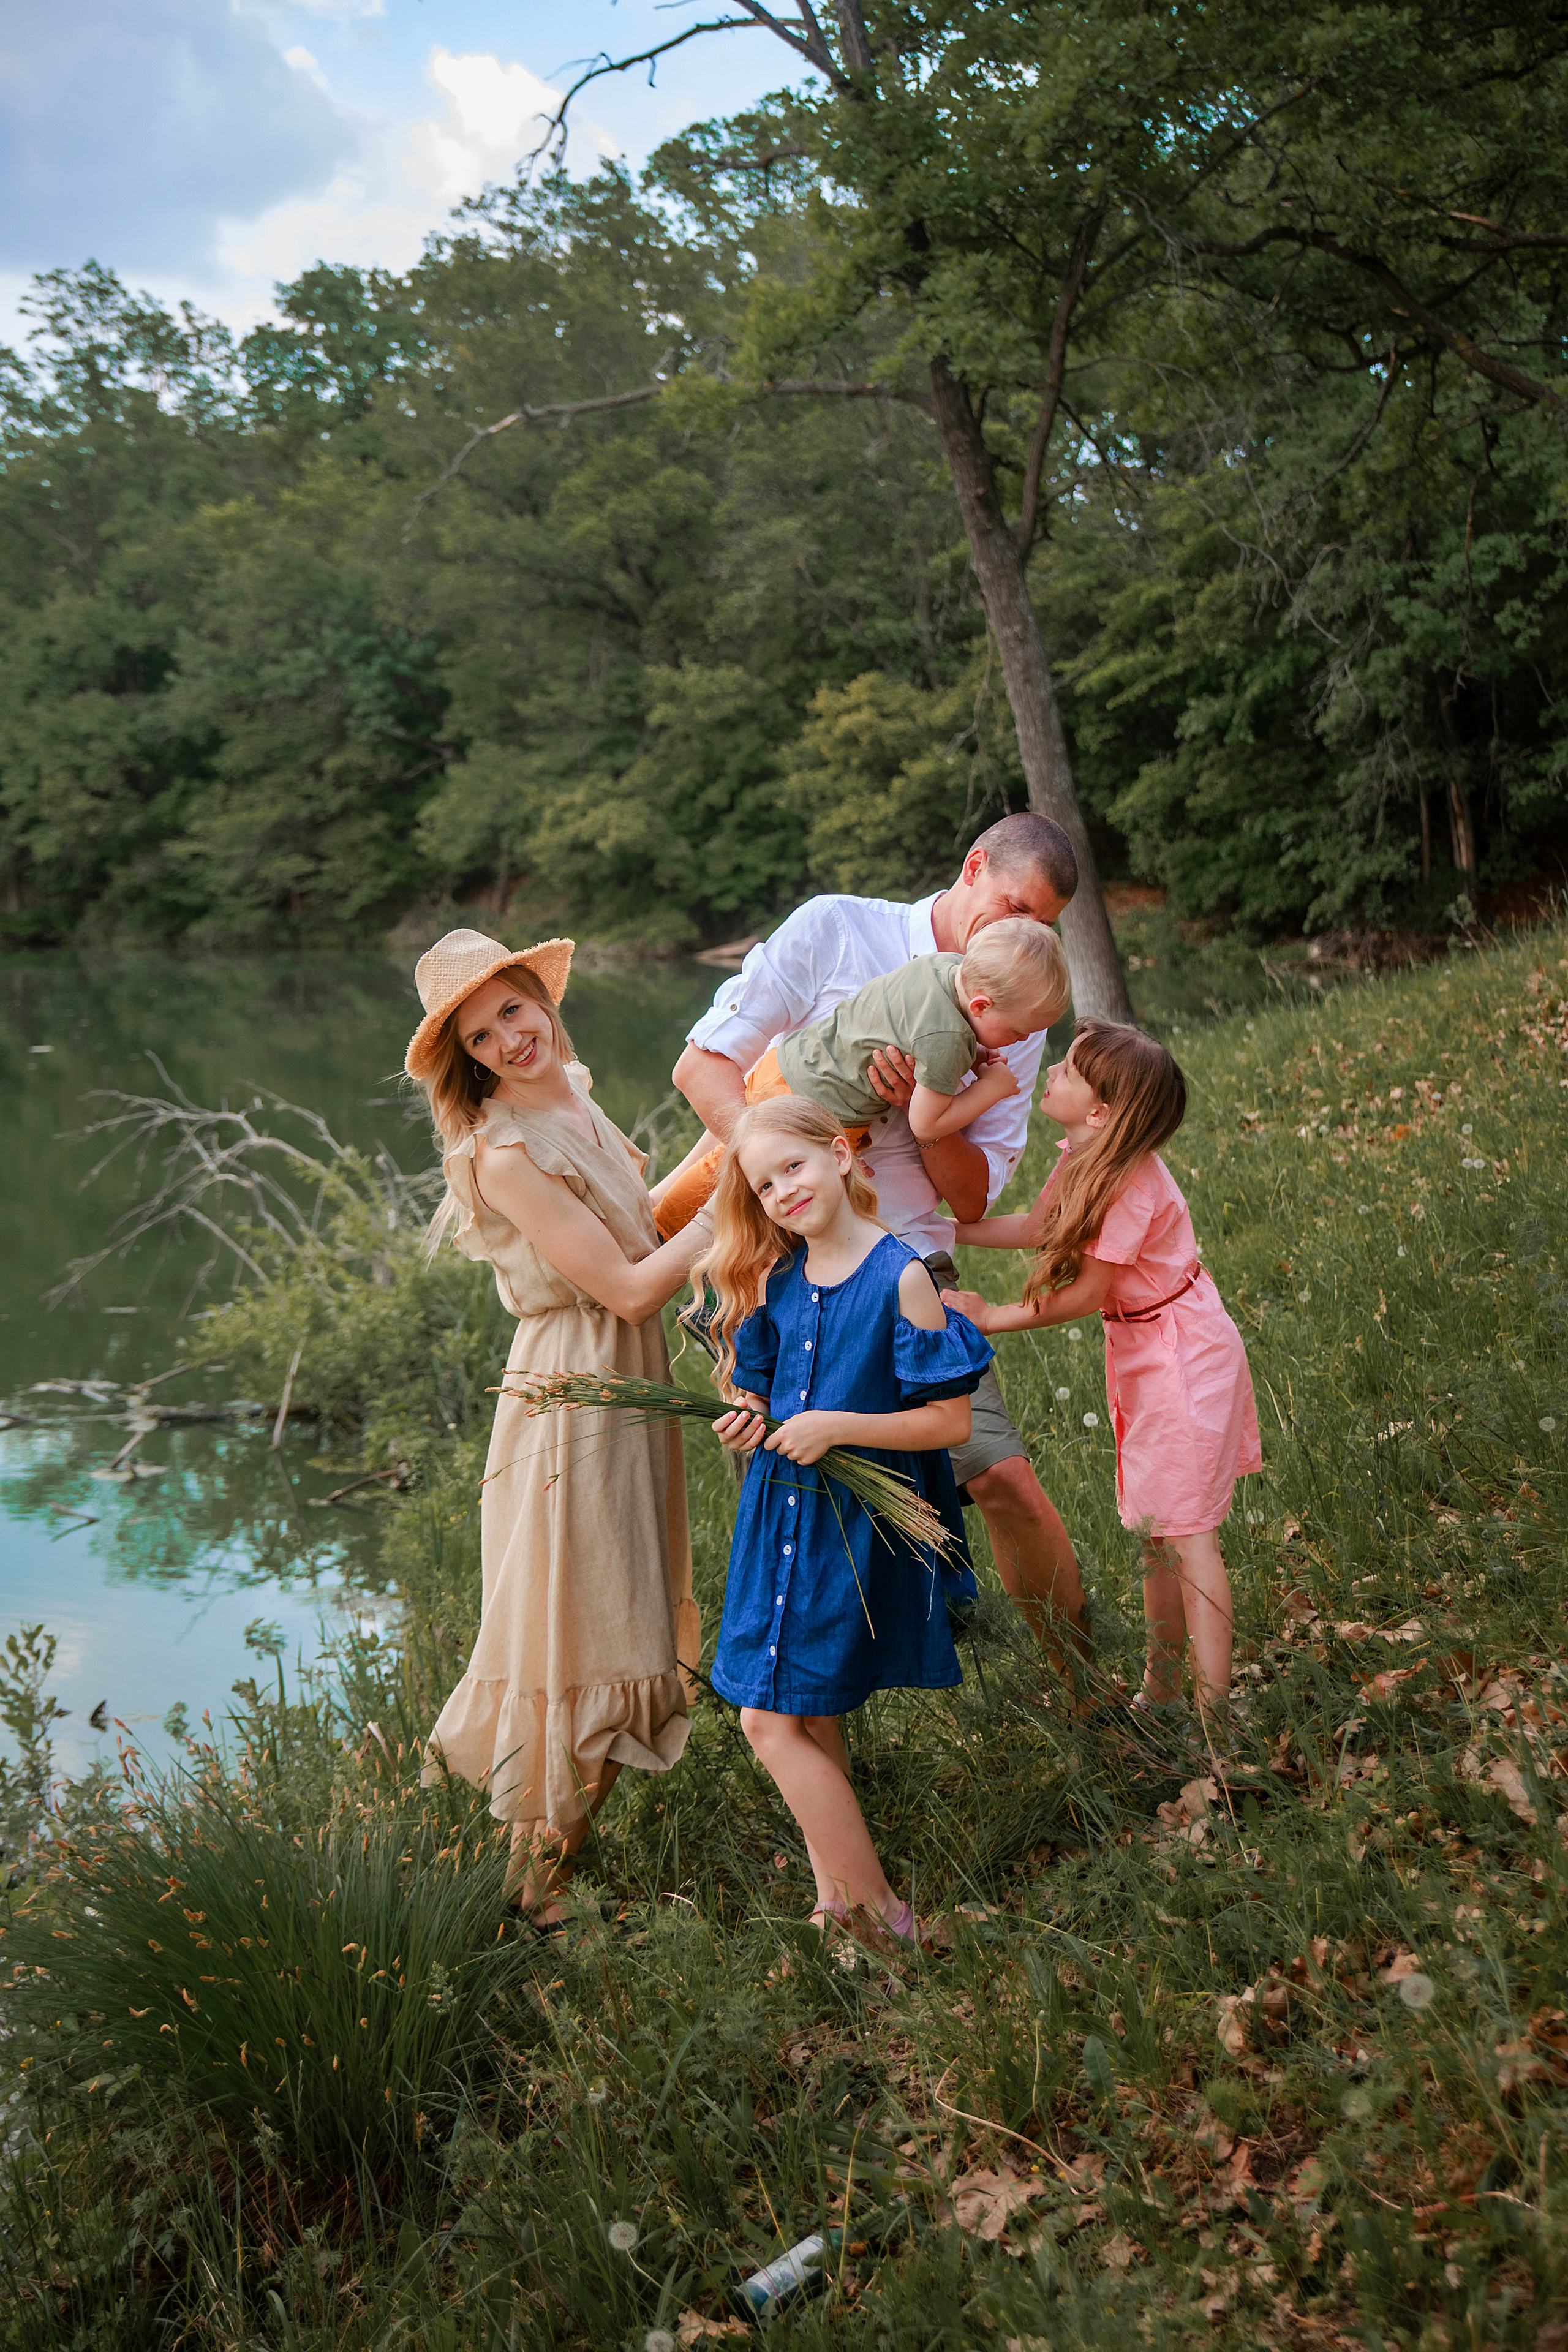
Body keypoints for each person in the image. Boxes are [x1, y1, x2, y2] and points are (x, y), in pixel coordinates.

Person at [662, 812, 1089, 1662]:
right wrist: (785, 1171)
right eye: (1011, 906)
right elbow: (702, 1067)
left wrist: (924, 1112)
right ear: (973, 867)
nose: (1019, 932)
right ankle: (797, 1706)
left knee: (1002, 1479)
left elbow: (974, 1196)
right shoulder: (836, 927)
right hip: (784, 1260)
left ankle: (1086, 1691)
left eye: (1040, 925)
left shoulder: (1020, 1009)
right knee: (798, 1502)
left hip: (907, 1266)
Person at [405, 927, 715, 1922]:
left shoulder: (572, 1093)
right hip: (574, 1395)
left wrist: (735, 1148)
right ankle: (533, 1895)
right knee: (585, 1639)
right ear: (466, 1056)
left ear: (540, 998)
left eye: (513, 1009)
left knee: (617, 1623)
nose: (509, 1037)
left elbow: (643, 1227)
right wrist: (737, 1210)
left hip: (624, 1384)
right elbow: (629, 1289)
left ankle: (541, 1881)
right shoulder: (500, 1151)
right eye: (482, 1034)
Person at [703, 1096, 992, 1943]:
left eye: (792, 1167)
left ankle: (880, 1915)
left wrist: (837, 1428)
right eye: (763, 1186)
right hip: (778, 1515)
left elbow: (947, 1423)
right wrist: (747, 1413)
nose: (782, 1191)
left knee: (765, 1718)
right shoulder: (781, 1283)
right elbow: (759, 1388)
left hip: (849, 1527)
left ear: (837, 1155)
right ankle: (837, 1895)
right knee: (801, 1709)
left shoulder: (898, 1275)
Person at [940, 1022, 1262, 1730]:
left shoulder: (1130, 1185)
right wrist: (941, 1230)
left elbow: (1086, 1294)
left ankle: (1214, 1720)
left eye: (1069, 1071)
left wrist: (991, 1314)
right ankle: (1165, 1687)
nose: (1050, 1072)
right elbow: (1037, 1228)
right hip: (1149, 1351)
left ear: (1101, 1112)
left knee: (1189, 1537)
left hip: (1180, 1357)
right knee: (1157, 1528)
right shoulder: (1087, 1151)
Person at [653, 918, 1070, 1235]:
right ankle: (658, 1230)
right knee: (727, 1180)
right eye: (1017, 1032)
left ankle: (660, 1224)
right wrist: (989, 1089)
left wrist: (976, 1053)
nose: (1018, 1043)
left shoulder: (944, 968)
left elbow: (916, 1026)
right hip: (815, 1113)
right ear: (979, 1006)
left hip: (786, 1065)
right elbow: (927, 1121)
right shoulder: (946, 1039)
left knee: (729, 1170)